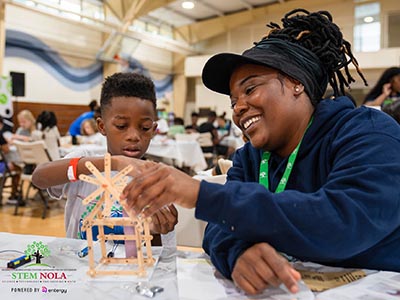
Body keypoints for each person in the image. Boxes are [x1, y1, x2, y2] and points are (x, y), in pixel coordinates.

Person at [118, 9, 400, 296]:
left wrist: (200, 193)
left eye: (250, 88)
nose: (238, 107)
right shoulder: (250, 157)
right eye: (233, 101)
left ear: (296, 83)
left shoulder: (368, 133)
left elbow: (342, 221)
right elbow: (218, 228)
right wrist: (239, 253)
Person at [32, 72, 177, 245]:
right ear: (102, 126)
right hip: (79, 266)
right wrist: (112, 162)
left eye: (144, 128)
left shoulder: (158, 183)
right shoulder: (85, 161)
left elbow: (154, 253)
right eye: (121, 126)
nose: (133, 136)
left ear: (153, 130)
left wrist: (155, 229)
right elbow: (39, 177)